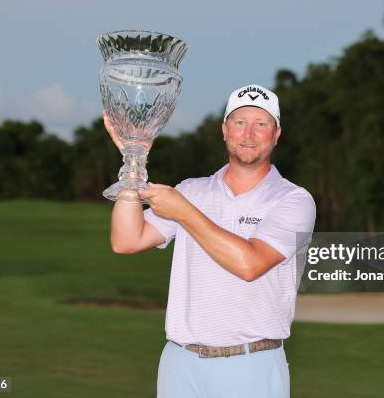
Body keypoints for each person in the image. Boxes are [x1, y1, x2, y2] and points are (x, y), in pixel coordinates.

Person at [105, 84, 316, 398]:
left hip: (251, 364)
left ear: (276, 134)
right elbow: (127, 240)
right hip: (180, 363)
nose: (249, 134)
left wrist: (184, 212)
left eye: (261, 124)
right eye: (240, 122)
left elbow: (250, 264)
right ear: (225, 130)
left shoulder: (294, 200)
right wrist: (133, 161)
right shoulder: (192, 190)